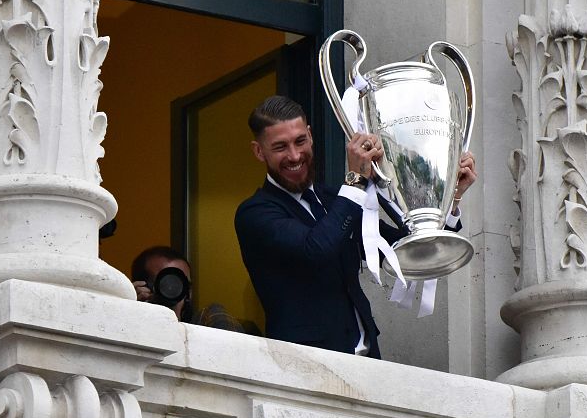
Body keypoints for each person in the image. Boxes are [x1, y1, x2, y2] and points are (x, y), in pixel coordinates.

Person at [234, 96, 476, 358]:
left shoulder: (334, 199)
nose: (294, 155)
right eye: (280, 147)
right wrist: (356, 179)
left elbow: (408, 250)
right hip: (303, 365)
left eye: (300, 141)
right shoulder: (255, 212)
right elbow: (316, 248)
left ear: (311, 136)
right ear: (259, 151)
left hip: (369, 360)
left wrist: (452, 198)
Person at [131, 245, 244, 332]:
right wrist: (131, 311)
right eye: (167, 282)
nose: (174, 288)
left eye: (183, 284)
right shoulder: (130, 325)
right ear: (144, 287)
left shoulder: (207, 320)